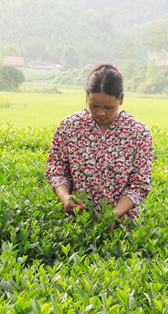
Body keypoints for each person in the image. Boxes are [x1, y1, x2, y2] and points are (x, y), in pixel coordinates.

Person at [45, 63, 153, 224]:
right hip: (77, 224)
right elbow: (56, 169)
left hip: (123, 227)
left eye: (108, 107)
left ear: (121, 99)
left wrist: (111, 216)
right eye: (94, 106)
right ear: (87, 97)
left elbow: (139, 184)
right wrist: (65, 197)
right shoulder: (70, 126)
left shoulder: (138, 132)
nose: (101, 113)